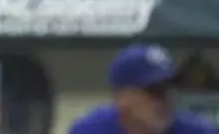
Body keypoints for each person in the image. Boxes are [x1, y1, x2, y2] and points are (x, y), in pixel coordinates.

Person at [69, 44, 216, 134]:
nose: (165, 100)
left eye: (168, 89)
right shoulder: (91, 131)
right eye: (155, 91)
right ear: (122, 99)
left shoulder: (197, 131)